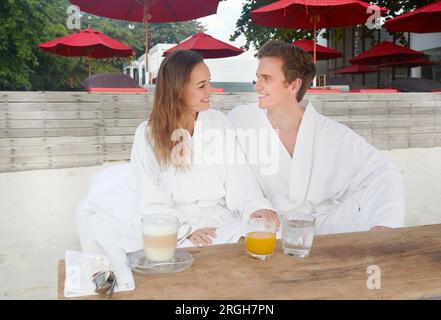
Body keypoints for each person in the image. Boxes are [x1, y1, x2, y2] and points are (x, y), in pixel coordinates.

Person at [76, 50, 275, 255]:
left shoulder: (219, 122)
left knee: (262, 235)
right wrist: (185, 229)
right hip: (172, 220)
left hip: (220, 217)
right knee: (187, 254)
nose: (210, 91)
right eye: (201, 86)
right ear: (178, 90)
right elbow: (150, 199)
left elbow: (239, 178)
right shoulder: (148, 134)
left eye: (209, 82)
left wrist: (254, 207)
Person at [228, 40, 405, 235]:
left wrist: (384, 222)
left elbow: (382, 170)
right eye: (257, 78)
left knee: (371, 197)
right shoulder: (241, 119)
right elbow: (229, 173)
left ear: (293, 85)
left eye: (266, 79)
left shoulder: (329, 133)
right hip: (267, 223)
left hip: (319, 225)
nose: (257, 86)